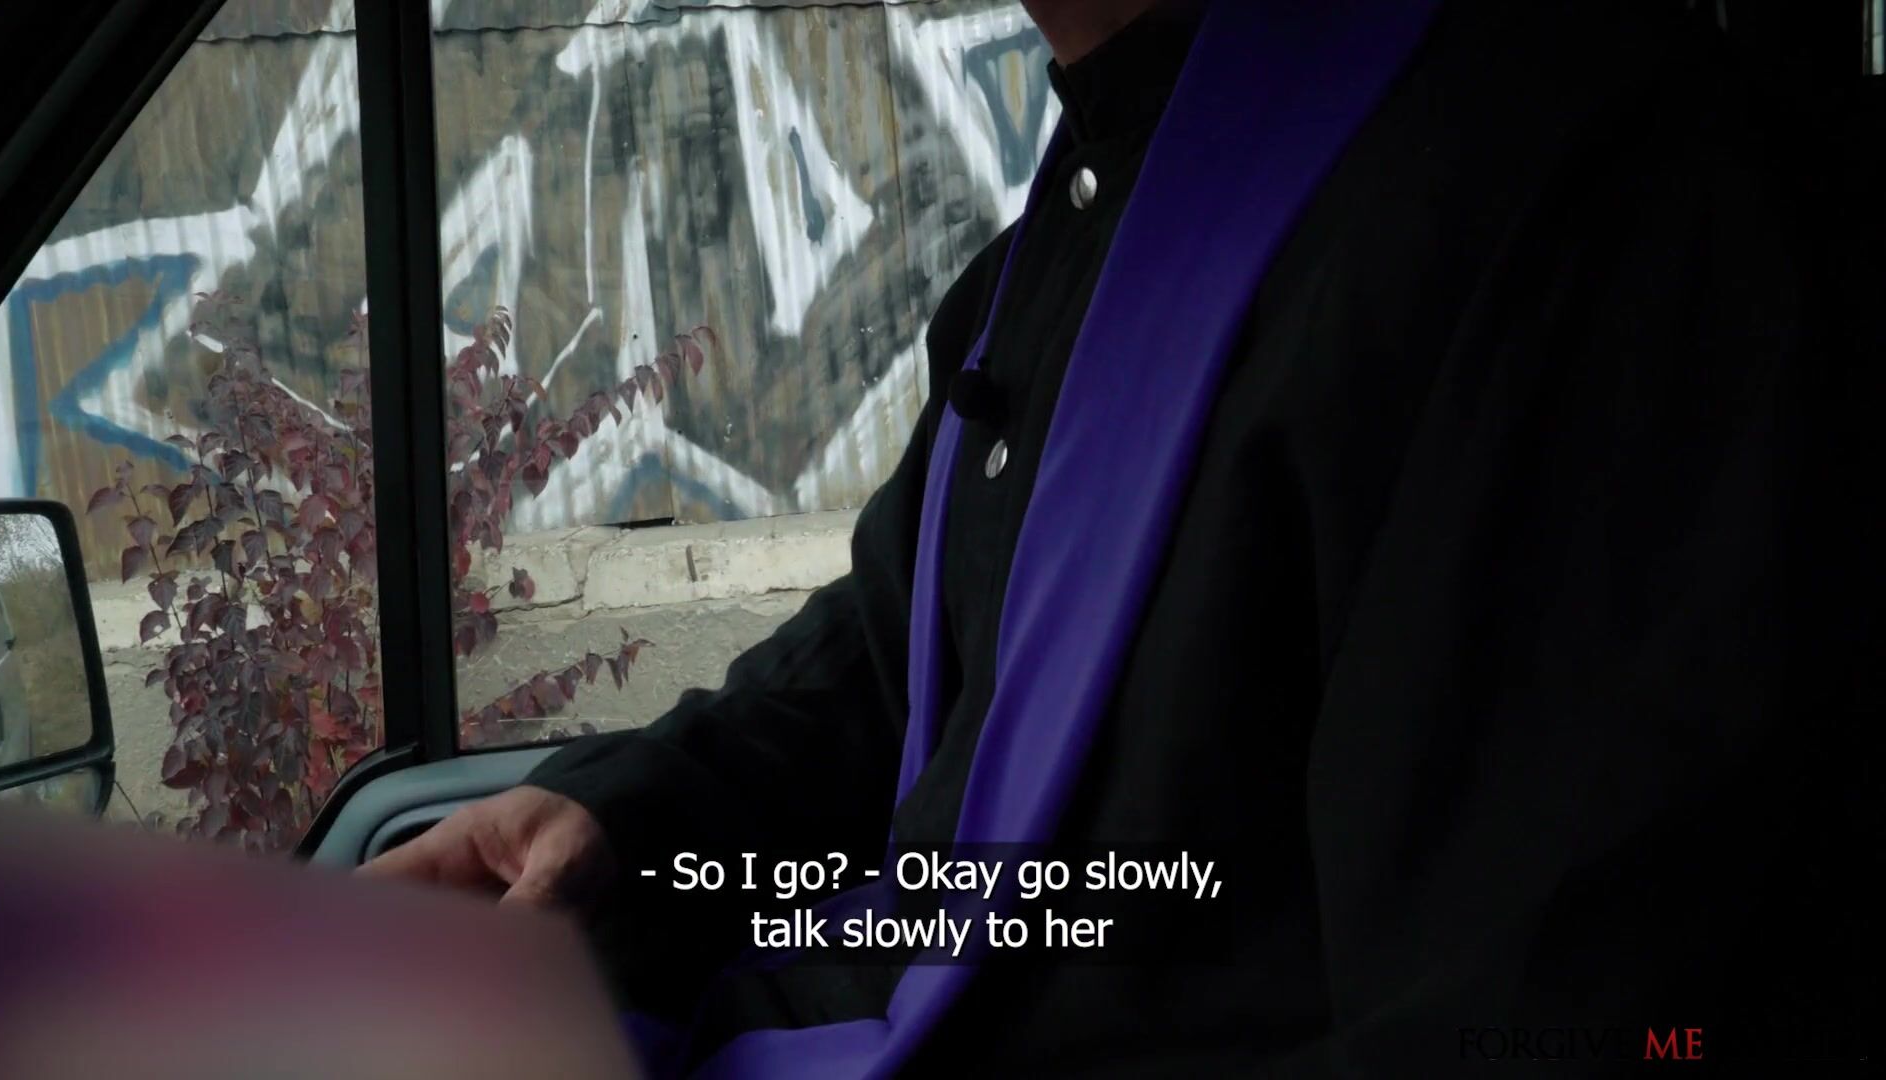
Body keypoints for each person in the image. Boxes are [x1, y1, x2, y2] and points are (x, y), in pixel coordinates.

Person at [365, 0, 1883, 1073]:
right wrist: (623, 828)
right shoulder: (1053, 256)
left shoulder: (1577, 209)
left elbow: (1540, 1010)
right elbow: (897, 672)